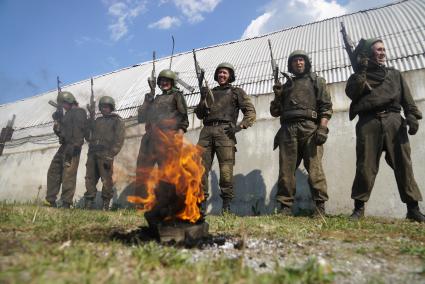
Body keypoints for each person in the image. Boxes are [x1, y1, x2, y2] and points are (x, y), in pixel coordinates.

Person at [346, 38, 424, 222]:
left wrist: (412, 116)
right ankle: (358, 209)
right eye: (378, 50)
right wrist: (362, 70)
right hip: (368, 122)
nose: (382, 53)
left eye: (383, 50)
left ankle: (413, 209)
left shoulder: (394, 74)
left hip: (394, 121)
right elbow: (352, 93)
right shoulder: (357, 76)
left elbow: (408, 99)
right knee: (365, 166)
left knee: (404, 165)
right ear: (368, 53)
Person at [270, 50, 332, 216]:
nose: (298, 63)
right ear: (290, 65)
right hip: (287, 130)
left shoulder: (316, 81)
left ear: (306, 63)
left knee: (315, 168)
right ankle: (285, 207)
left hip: (310, 128)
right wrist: (277, 96)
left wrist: (322, 128)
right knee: (286, 171)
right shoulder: (285, 86)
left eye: (301, 60)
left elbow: (326, 108)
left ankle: (319, 207)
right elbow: (274, 112)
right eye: (295, 61)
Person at [195, 62, 256, 214]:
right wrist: (203, 98)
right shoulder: (210, 92)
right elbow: (200, 114)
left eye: (225, 73)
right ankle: (200, 205)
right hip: (206, 131)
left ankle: (226, 207)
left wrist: (240, 126)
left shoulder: (236, 92)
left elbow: (250, 112)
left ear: (230, 76)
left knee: (226, 171)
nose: (222, 75)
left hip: (226, 132)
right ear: (216, 75)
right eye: (220, 72)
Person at [135, 69, 189, 197]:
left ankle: (166, 202)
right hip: (150, 138)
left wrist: (180, 134)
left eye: (167, 80)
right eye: (162, 81)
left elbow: (183, 117)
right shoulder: (154, 98)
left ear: (172, 82)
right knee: (142, 169)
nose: (164, 83)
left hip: (167, 138)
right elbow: (141, 117)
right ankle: (140, 201)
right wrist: (149, 97)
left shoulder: (177, 96)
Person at [45, 91, 87, 208]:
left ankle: (66, 203)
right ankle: (50, 200)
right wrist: (57, 122)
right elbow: (62, 134)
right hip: (63, 146)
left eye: (63, 103)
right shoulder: (67, 114)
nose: (62, 106)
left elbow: (79, 130)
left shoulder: (79, 112)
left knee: (68, 175)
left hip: (72, 147)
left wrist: (75, 146)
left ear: (68, 101)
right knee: (53, 171)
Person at [84, 96, 125, 210]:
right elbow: (88, 136)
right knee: (90, 178)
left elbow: (119, 140)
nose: (104, 109)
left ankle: (105, 205)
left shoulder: (117, 121)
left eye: (107, 107)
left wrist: (111, 154)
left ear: (111, 108)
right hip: (92, 154)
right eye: (102, 107)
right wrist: (90, 117)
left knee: (106, 180)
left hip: (106, 154)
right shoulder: (97, 121)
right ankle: (88, 203)